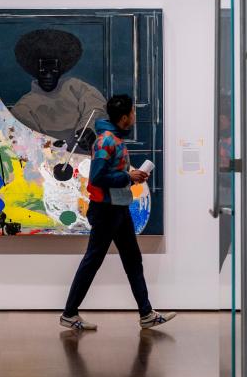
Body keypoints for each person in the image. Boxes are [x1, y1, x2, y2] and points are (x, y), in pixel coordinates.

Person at [60, 94, 176, 331]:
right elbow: (98, 177)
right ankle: (69, 314)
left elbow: (110, 176)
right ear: (124, 117)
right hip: (107, 211)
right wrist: (128, 176)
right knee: (93, 260)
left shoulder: (114, 140)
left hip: (118, 208)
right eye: (133, 112)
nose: (135, 116)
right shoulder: (106, 142)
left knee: (132, 260)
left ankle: (146, 313)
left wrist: (131, 179)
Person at [10, 28, 106, 149]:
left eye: (53, 69)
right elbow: (28, 146)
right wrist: (50, 147)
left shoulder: (75, 87)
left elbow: (97, 106)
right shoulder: (24, 108)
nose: (48, 75)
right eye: (43, 70)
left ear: (60, 69)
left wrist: (89, 129)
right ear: (35, 70)